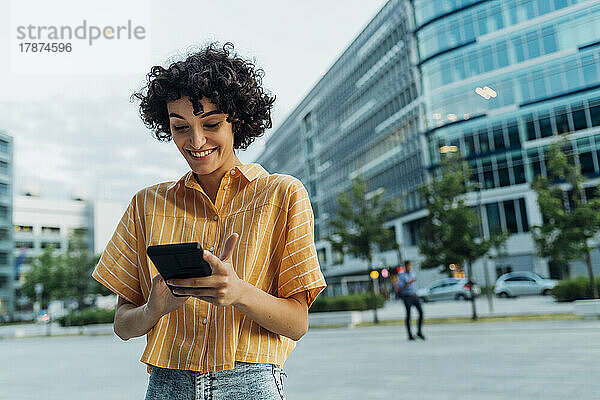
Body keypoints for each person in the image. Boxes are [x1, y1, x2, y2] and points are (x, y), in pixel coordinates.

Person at [91, 42, 327, 400]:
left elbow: (297, 324)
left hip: (250, 384)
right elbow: (123, 326)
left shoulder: (282, 195)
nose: (196, 141)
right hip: (166, 384)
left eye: (212, 123)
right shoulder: (146, 205)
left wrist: (239, 293)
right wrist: (154, 308)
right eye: (180, 126)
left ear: (238, 121)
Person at [397, 260, 425, 341]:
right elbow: (401, 287)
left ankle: (419, 332)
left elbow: (415, 284)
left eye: (410, 266)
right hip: (407, 297)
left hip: (414, 295)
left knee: (421, 313)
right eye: (408, 266)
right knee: (409, 315)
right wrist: (409, 282)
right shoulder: (401, 275)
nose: (409, 267)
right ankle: (409, 335)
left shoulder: (413, 273)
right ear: (405, 267)